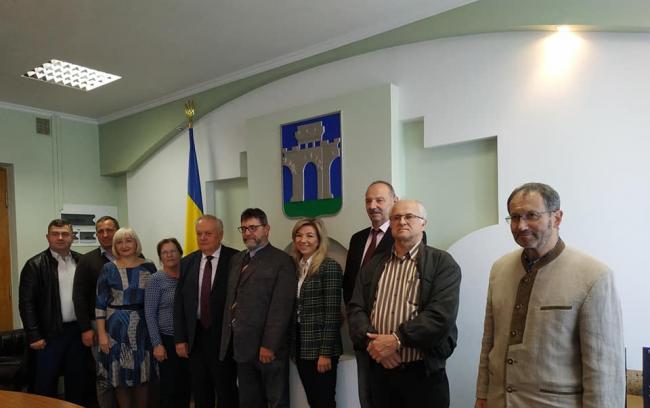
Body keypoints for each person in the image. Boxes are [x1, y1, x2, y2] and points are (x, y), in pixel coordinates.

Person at [474, 183, 625, 408]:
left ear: (557, 218)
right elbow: (489, 341)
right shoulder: (500, 269)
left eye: (531, 215)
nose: (521, 225)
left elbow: (605, 369)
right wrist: (483, 394)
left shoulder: (594, 276)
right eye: (514, 217)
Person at [348, 200, 461, 408]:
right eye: (396, 217)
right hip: (381, 373)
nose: (402, 221)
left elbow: (440, 316)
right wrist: (374, 345)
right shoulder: (373, 265)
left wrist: (396, 340)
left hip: (423, 374)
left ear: (423, 223)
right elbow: (356, 309)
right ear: (390, 224)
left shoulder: (442, 263)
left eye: (409, 216)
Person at [220, 208, 297, 408]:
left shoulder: (282, 261)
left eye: (253, 228)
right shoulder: (237, 260)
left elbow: (281, 307)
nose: (247, 233)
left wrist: (269, 345)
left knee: (276, 401)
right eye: (244, 229)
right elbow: (232, 300)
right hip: (242, 346)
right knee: (249, 401)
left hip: (268, 348)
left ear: (266, 229)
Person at [18, 218, 87, 404]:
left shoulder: (81, 261)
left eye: (65, 234)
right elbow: (26, 303)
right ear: (47, 237)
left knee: (77, 381)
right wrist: (34, 335)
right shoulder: (34, 265)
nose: (60, 238)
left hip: (77, 332)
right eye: (55, 234)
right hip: (48, 334)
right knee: (45, 383)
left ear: (72, 237)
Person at [342, 180, 397, 408]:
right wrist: (359, 326)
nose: (373, 206)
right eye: (368, 201)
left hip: (389, 340)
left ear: (394, 201)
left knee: (389, 399)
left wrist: (385, 336)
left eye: (379, 200)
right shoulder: (357, 239)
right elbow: (349, 285)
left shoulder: (403, 235)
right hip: (361, 334)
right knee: (366, 397)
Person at [174, 215, 239, 408]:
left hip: (224, 338)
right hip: (196, 337)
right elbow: (179, 303)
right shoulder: (187, 262)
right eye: (199, 234)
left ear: (220, 235)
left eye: (208, 233)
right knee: (201, 390)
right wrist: (180, 339)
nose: (202, 238)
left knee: (226, 390)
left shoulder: (235, 259)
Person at [95, 227, 157, 408]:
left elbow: (155, 299)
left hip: (143, 328)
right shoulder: (108, 268)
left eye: (128, 241)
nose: (124, 245)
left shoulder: (149, 266)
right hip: (116, 330)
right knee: (119, 377)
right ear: (114, 246)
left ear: (136, 243)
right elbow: (100, 304)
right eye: (119, 242)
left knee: (142, 374)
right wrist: (102, 335)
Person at [290, 218, 343, 408]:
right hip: (301, 344)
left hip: (321, 347)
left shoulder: (329, 266)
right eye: (299, 235)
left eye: (310, 236)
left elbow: (332, 313)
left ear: (319, 240)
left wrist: (325, 354)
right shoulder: (296, 268)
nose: (303, 240)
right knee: (313, 400)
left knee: (324, 401)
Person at [73, 215, 119, 408]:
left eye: (109, 230)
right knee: (104, 374)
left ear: (117, 231)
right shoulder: (87, 260)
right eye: (100, 231)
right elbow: (79, 296)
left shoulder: (132, 255)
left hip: (127, 325)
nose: (105, 234)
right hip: (97, 326)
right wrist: (85, 328)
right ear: (97, 235)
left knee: (125, 372)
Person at [145, 238, 191, 408]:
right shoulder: (156, 279)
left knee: (187, 386)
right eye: (165, 253)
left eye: (173, 251)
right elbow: (150, 314)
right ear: (160, 257)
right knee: (170, 388)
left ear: (180, 253)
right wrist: (157, 344)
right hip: (167, 340)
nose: (169, 255)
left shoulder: (189, 276)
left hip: (189, 339)